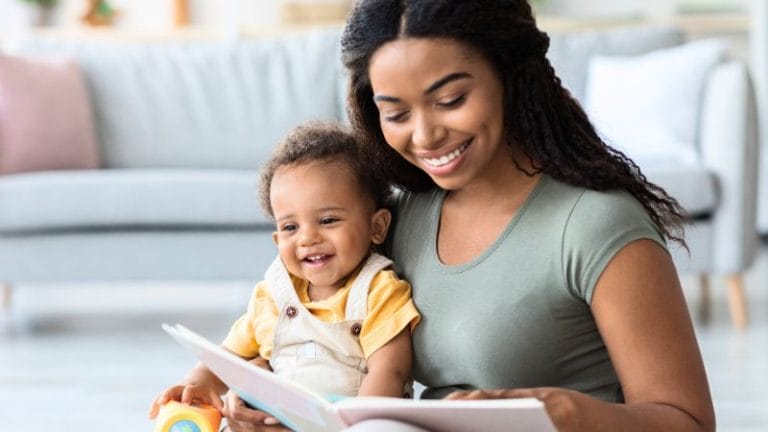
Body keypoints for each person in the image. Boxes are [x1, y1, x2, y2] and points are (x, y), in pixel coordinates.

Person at [224, 1, 715, 431]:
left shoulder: (597, 226)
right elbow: (326, 349)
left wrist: (566, 415)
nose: (425, 134)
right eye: (396, 114)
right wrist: (272, 404)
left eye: (451, 100)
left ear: (509, 75)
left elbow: (687, 422)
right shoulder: (399, 218)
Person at [148, 122, 420, 429]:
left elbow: (390, 372)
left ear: (377, 227)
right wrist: (198, 382)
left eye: (328, 220)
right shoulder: (273, 295)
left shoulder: (380, 291)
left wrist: (355, 426)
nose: (307, 238)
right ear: (278, 240)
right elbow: (227, 357)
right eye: (291, 227)